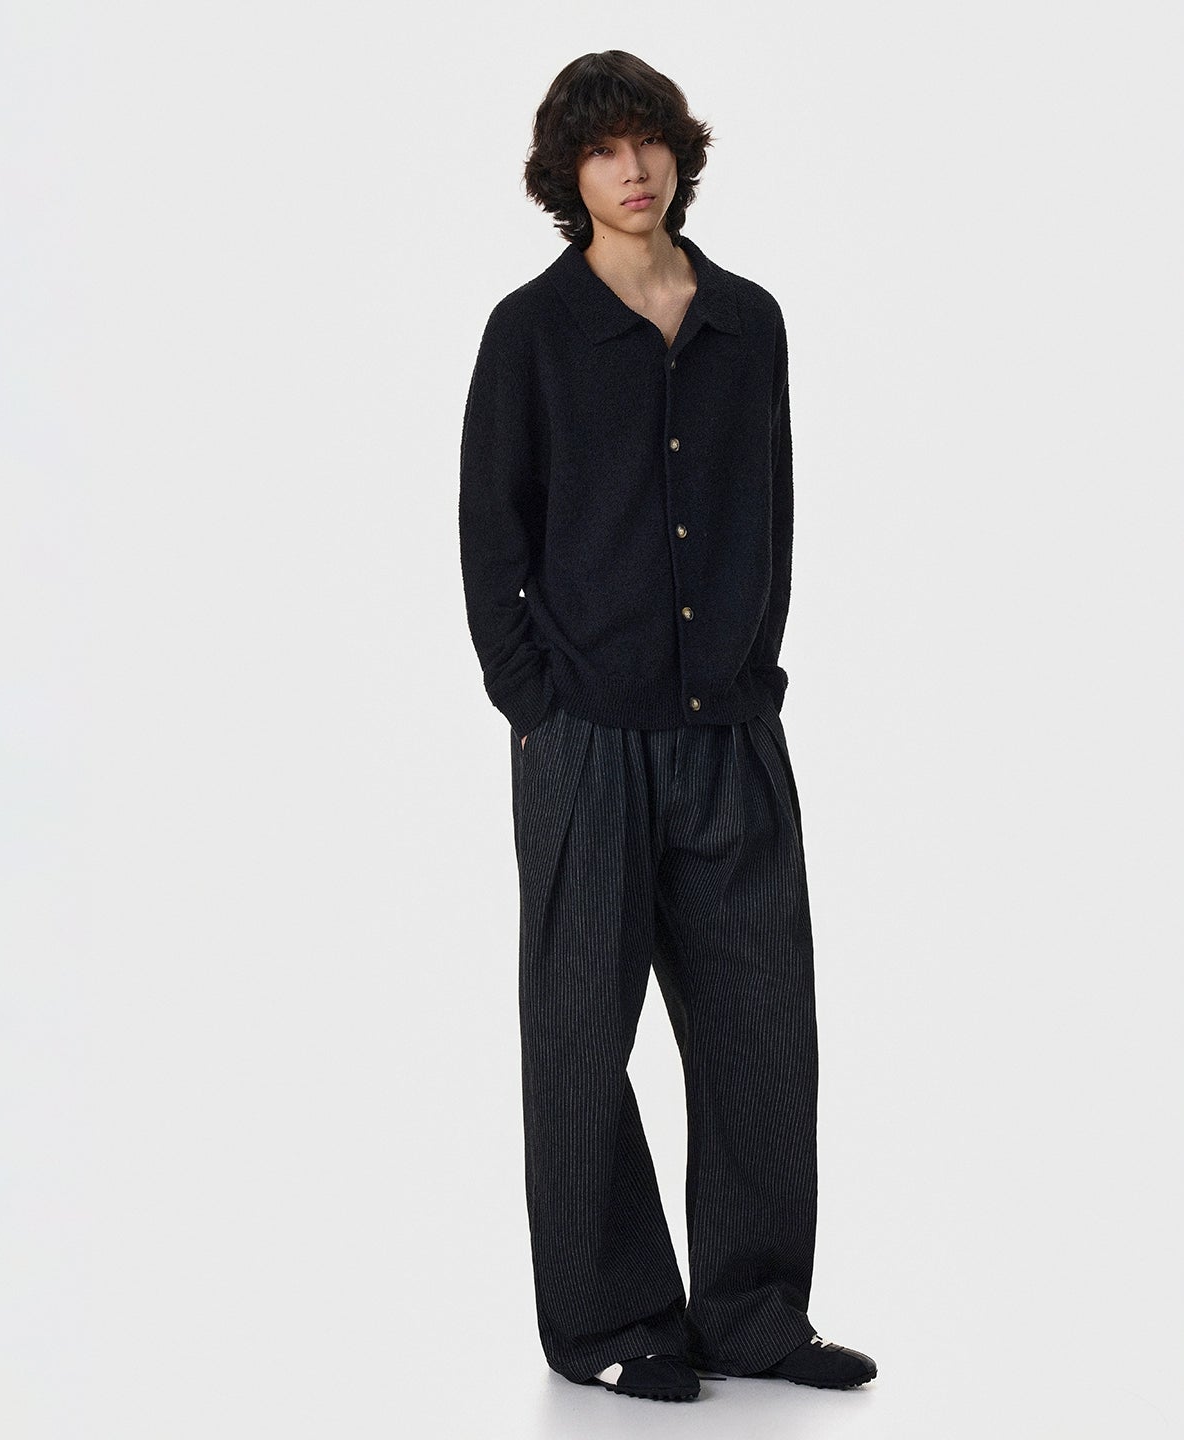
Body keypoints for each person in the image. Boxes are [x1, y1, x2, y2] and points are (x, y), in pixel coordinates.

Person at [457, 50, 877, 1403]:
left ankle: (753, 1315)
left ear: (680, 155)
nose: (632, 170)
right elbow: (491, 536)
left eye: (648, 143)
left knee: (763, 1029)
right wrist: (535, 706)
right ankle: (613, 1323)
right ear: (567, 176)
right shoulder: (531, 332)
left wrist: (756, 668)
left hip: (731, 736)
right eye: (603, 151)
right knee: (582, 1043)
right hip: (585, 737)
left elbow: (776, 508)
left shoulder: (750, 322)